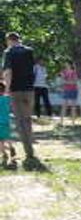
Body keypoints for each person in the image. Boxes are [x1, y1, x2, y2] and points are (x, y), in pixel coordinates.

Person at [1, 32, 38, 167]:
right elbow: (33, 69)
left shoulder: (9, 52)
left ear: (9, 40)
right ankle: (31, 150)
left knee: (20, 121)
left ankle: (29, 152)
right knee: (27, 120)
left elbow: (8, 72)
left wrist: (6, 89)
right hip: (29, 89)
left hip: (16, 90)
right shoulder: (29, 51)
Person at [0, 81, 17, 168]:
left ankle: (4, 154)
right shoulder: (7, 99)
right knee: (7, 137)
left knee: (1, 141)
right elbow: (9, 94)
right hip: (6, 122)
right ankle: (11, 147)